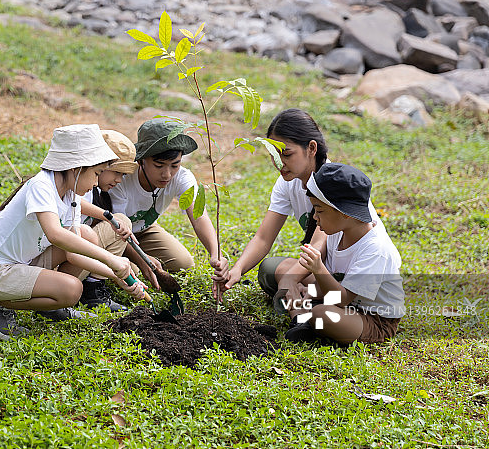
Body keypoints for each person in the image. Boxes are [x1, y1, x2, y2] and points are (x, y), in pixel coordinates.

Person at [0, 124, 145, 340]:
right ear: (76, 168)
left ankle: (49, 305)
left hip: (20, 264)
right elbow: (55, 234)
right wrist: (111, 259)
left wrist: (118, 275)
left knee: (85, 236)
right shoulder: (41, 185)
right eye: (96, 173)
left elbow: (73, 252)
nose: (97, 182)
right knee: (71, 290)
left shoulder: (70, 196)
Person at [211, 108, 330, 309]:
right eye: (274, 155)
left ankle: (330, 302)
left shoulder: (333, 182)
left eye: (287, 154)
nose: (279, 163)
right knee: (269, 269)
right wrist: (237, 270)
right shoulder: (287, 183)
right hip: (320, 271)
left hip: (348, 274)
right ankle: (315, 298)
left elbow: (318, 248)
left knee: (287, 276)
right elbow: (263, 238)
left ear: (311, 148)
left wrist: (290, 281)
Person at [282, 163, 404, 345]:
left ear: (345, 213)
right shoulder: (337, 228)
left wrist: (318, 269)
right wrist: (311, 289)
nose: (314, 217)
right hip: (338, 291)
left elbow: (342, 299)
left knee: (322, 314)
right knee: (283, 269)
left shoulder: (376, 250)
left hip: (371, 317)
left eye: (320, 210)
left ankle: (305, 318)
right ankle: (299, 321)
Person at [108, 119, 227, 289]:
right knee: (132, 269)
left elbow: (199, 216)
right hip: (117, 235)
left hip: (145, 230)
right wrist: (142, 260)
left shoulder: (182, 178)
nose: (167, 174)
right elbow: (114, 229)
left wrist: (216, 254)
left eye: (175, 165)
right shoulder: (122, 180)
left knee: (183, 263)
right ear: (141, 160)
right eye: (159, 165)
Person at [78, 129, 158, 311]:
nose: (119, 180)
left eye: (123, 175)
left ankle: (95, 282)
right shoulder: (78, 188)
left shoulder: (98, 193)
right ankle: (92, 290)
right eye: (116, 172)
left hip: (76, 257)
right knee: (121, 220)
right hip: (64, 262)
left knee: (132, 269)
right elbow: (73, 203)